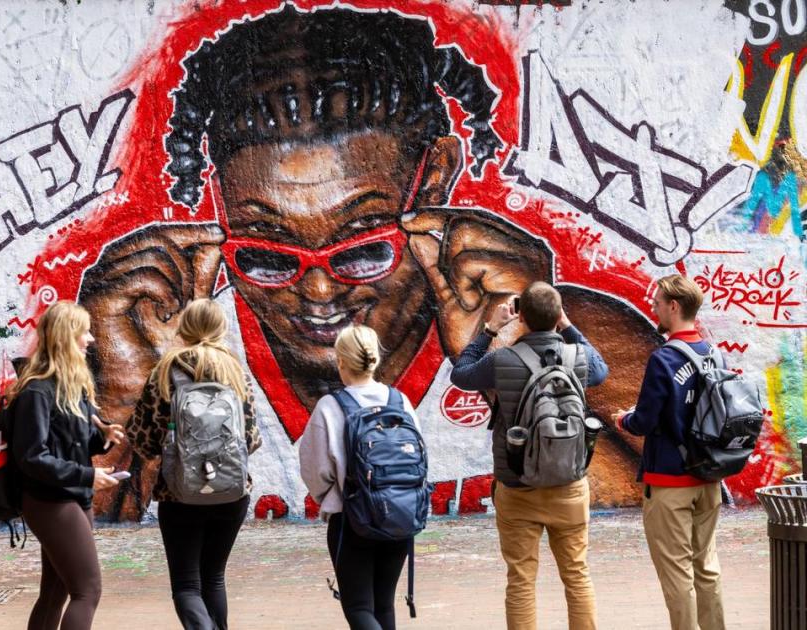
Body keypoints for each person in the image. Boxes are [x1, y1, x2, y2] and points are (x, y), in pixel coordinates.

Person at [79, 5, 660, 520]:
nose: (318, 290)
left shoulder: (587, 335)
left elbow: (642, 510)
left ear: (432, 180)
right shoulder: (168, 342)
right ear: (218, 208)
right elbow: (95, 531)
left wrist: (520, 356)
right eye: (266, 252)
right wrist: (122, 395)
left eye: (362, 247)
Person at [450, 282, 607, 630]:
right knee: (577, 576)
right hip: (569, 483)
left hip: (517, 485)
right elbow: (601, 369)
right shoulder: (577, 357)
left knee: (521, 580)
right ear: (558, 314)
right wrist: (567, 326)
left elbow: (460, 374)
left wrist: (490, 328)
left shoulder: (502, 360)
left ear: (520, 318)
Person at [126, 298, 262, 630]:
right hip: (231, 493)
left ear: (185, 327)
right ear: (220, 328)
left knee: (187, 585)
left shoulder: (166, 371)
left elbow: (143, 439)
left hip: (179, 493)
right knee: (213, 577)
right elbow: (252, 439)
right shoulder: (234, 371)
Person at [611, 275, 725, 630]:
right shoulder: (714, 353)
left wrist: (623, 419)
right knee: (706, 566)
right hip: (708, 477)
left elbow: (644, 421)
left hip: (670, 481)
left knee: (677, 572)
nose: (654, 307)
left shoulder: (663, 359)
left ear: (674, 307)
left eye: (658, 302)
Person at [9, 300, 125, 630]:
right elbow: (31, 457)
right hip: (50, 500)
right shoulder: (37, 391)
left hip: (72, 496)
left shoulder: (73, 389)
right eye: (84, 332)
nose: (90, 339)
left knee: (55, 591)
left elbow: (75, 444)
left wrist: (104, 438)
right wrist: (87, 475)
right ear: (66, 336)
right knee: (87, 591)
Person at [299, 324, 420, 630]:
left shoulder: (330, 407)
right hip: (401, 516)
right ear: (375, 359)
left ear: (340, 361)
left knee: (358, 607)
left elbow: (315, 470)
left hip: (351, 520)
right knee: (383, 605)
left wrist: (329, 497)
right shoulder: (400, 401)